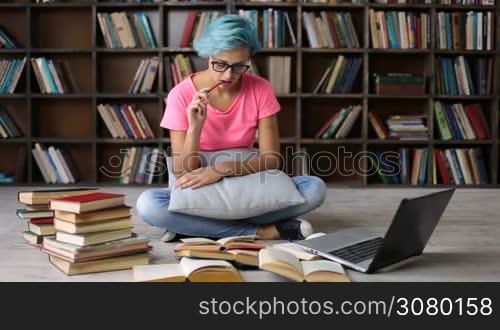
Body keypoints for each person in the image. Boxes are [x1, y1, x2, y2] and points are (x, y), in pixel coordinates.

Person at [136, 14, 326, 242]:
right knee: (148, 205)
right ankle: (259, 230)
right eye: (221, 64)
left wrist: (222, 168)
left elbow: (272, 160)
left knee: (314, 187)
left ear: (248, 60)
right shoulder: (181, 94)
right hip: (198, 182)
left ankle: (195, 227)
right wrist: (195, 128)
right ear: (208, 56)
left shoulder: (261, 89)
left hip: (246, 175)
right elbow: (183, 171)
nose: (228, 75)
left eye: (239, 67)